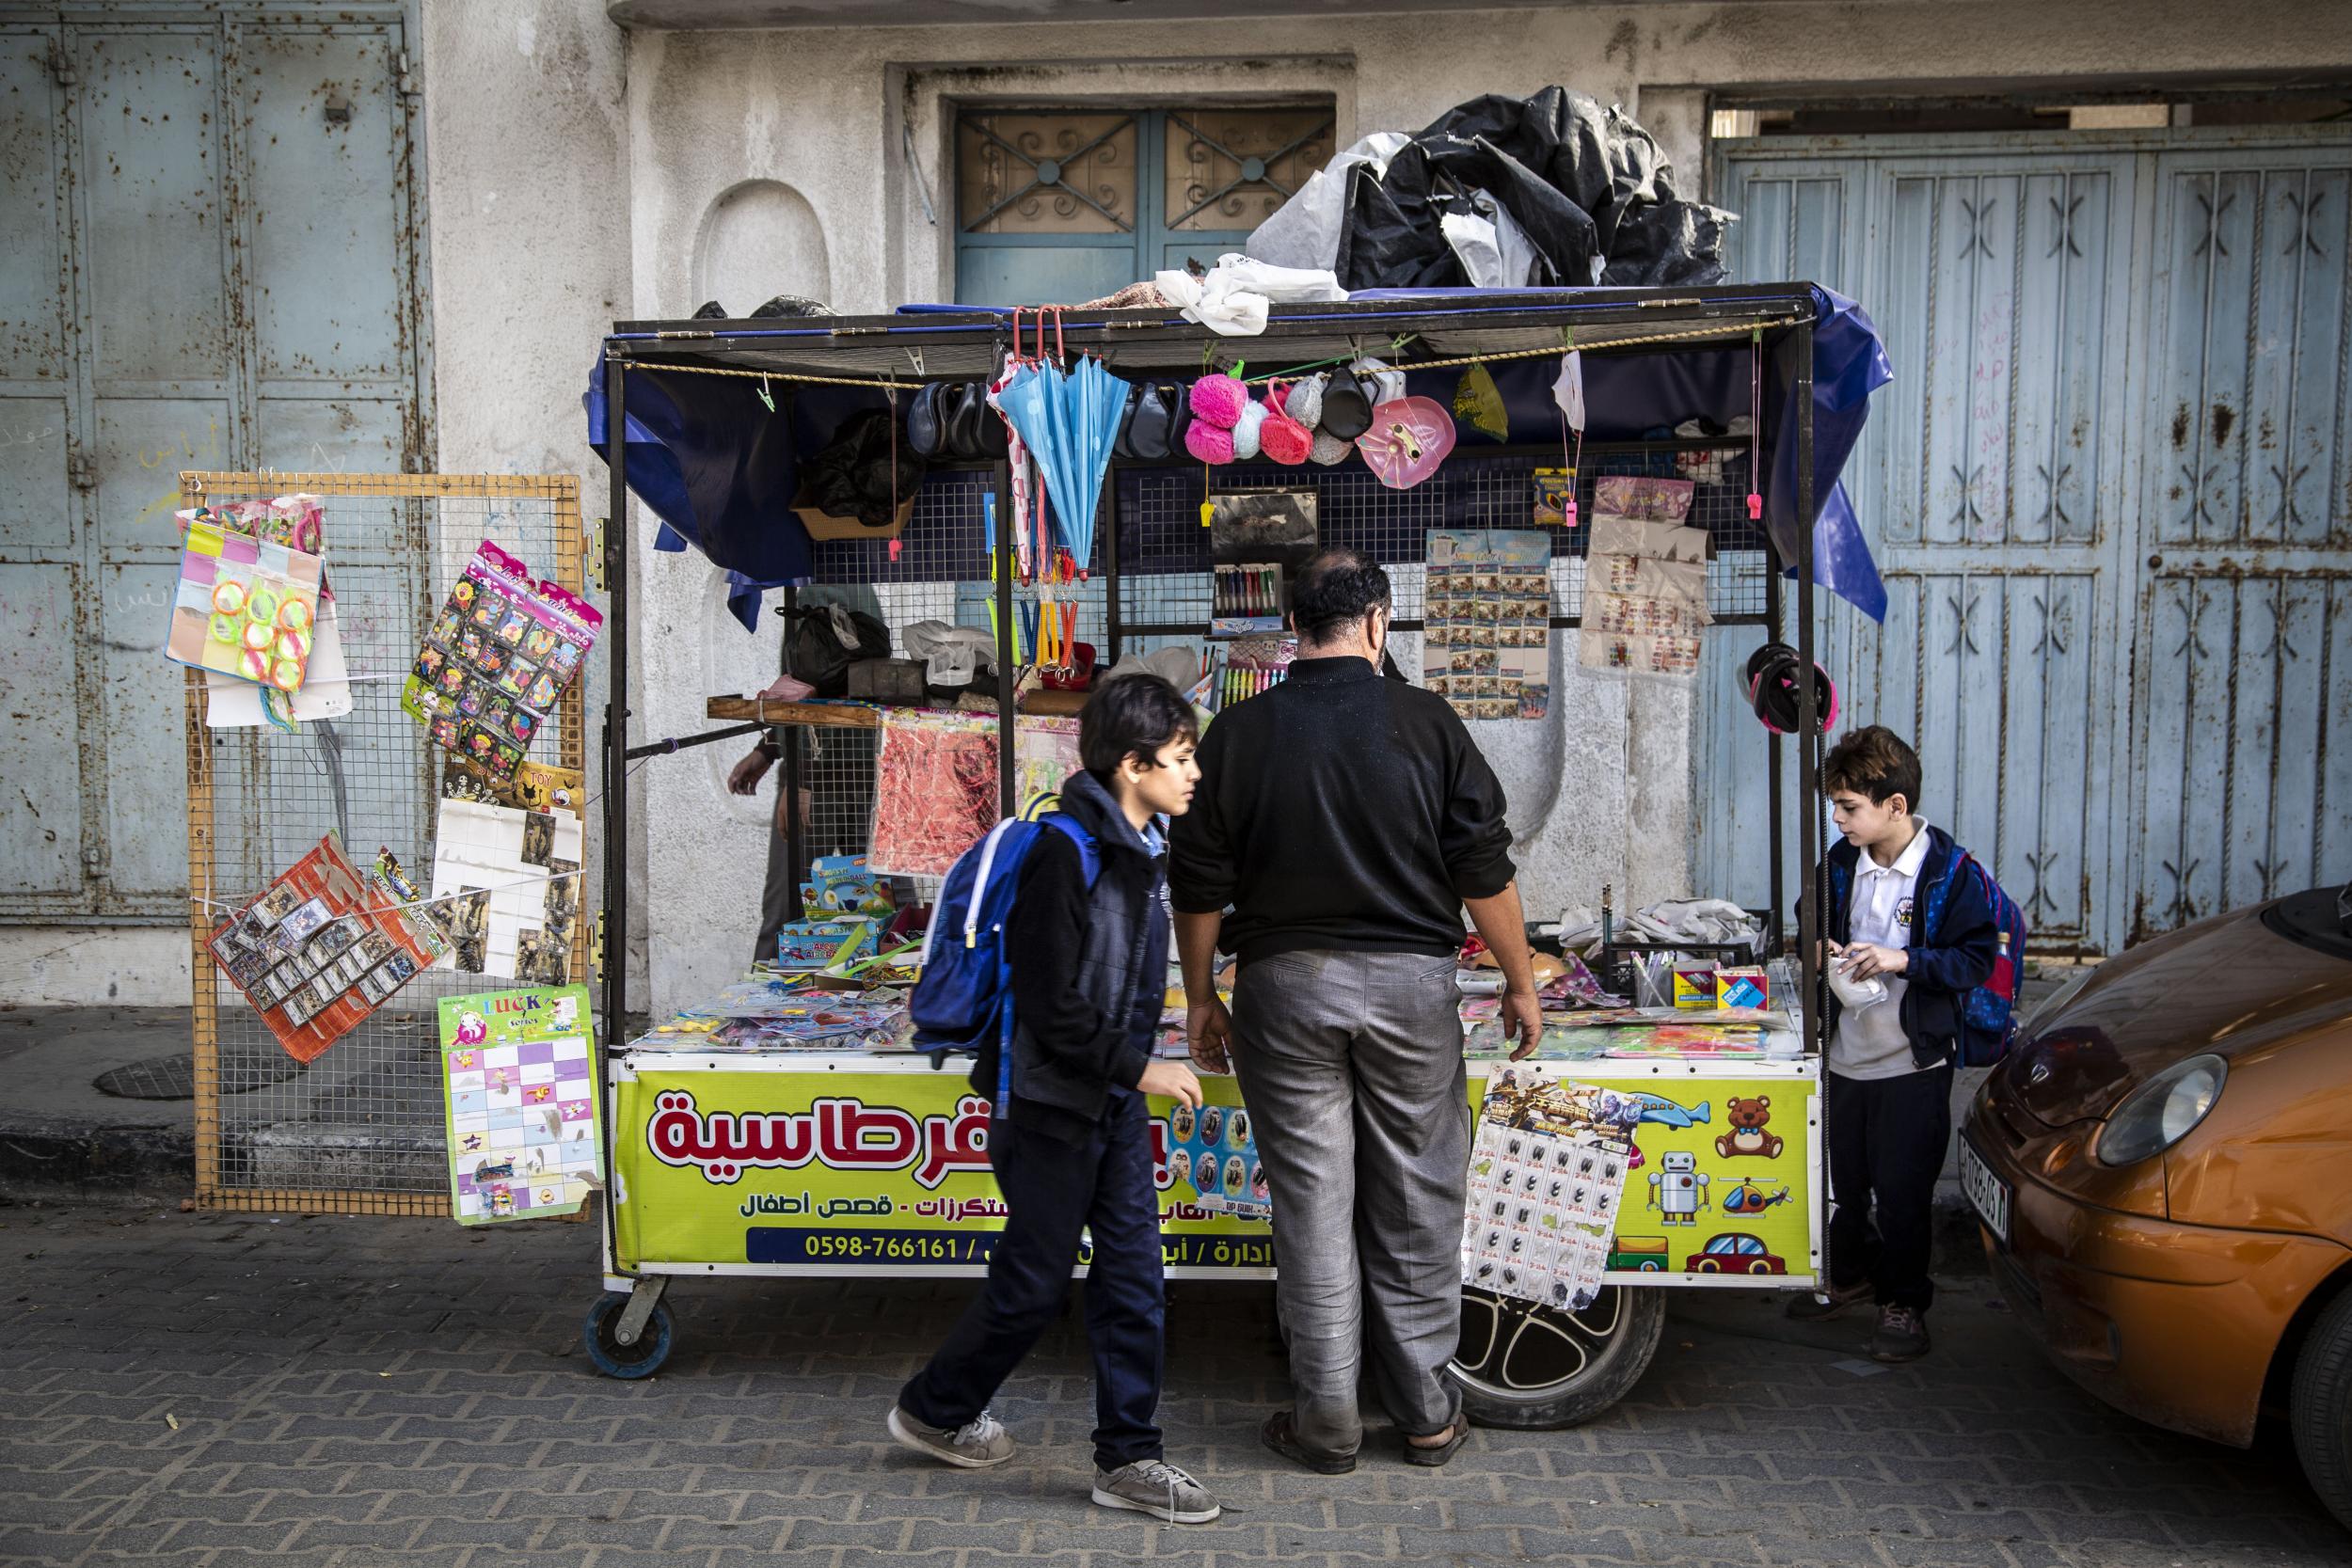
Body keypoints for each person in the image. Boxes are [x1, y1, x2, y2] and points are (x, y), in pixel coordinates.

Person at [1168, 548, 1542, 1474]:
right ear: (1378, 620)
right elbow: (1482, 867)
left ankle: (1327, 1420)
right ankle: (1424, 1413)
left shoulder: (1238, 733)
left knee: (1312, 1201)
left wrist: (1204, 993)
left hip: (1282, 989)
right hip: (1413, 988)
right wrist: (1521, 979)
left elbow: (1198, 883)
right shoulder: (1426, 720)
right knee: (1417, 1194)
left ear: (1294, 625)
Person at [889, 673, 1223, 1526]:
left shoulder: (1146, 851)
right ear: (1131, 764)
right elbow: (1047, 1002)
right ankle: (935, 1406)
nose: (1194, 773)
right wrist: (1139, 1067)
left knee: (1135, 1278)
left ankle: (1130, 1458)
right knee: (1033, 1286)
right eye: (1181, 759)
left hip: (1104, 1102)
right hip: (1041, 1107)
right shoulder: (1060, 852)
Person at [1788, 724, 1996, 1363]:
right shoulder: (1842, 862)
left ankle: (1904, 1303)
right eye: (1836, 805)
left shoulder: (1949, 873)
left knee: (1904, 1193)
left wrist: (1900, 958)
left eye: (1849, 806)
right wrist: (1819, 947)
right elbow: (1808, 914)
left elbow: (1976, 957)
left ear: (1894, 806)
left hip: (1913, 1062)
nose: (1838, 817)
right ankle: (1851, 1273)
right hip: (1846, 1056)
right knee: (1845, 1183)